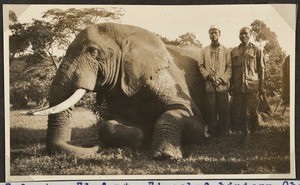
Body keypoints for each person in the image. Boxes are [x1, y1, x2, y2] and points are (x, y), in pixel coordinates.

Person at [230, 27, 265, 144]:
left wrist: (261, 87)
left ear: (250, 35)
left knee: (251, 111)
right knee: (240, 111)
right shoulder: (234, 51)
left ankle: (252, 130)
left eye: (246, 33)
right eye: (241, 34)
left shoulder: (257, 50)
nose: (243, 36)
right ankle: (245, 133)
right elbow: (231, 71)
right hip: (238, 86)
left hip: (252, 86)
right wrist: (231, 85)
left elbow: (261, 70)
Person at [198, 25, 232, 137]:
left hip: (222, 85)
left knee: (224, 109)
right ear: (209, 35)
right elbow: (201, 66)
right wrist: (208, 76)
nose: (214, 35)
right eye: (211, 33)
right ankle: (212, 132)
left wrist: (222, 79)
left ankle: (224, 132)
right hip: (210, 85)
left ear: (219, 34)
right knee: (211, 109)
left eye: (216, 33)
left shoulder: (226, 51)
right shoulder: (204, 51)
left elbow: (229, 67)